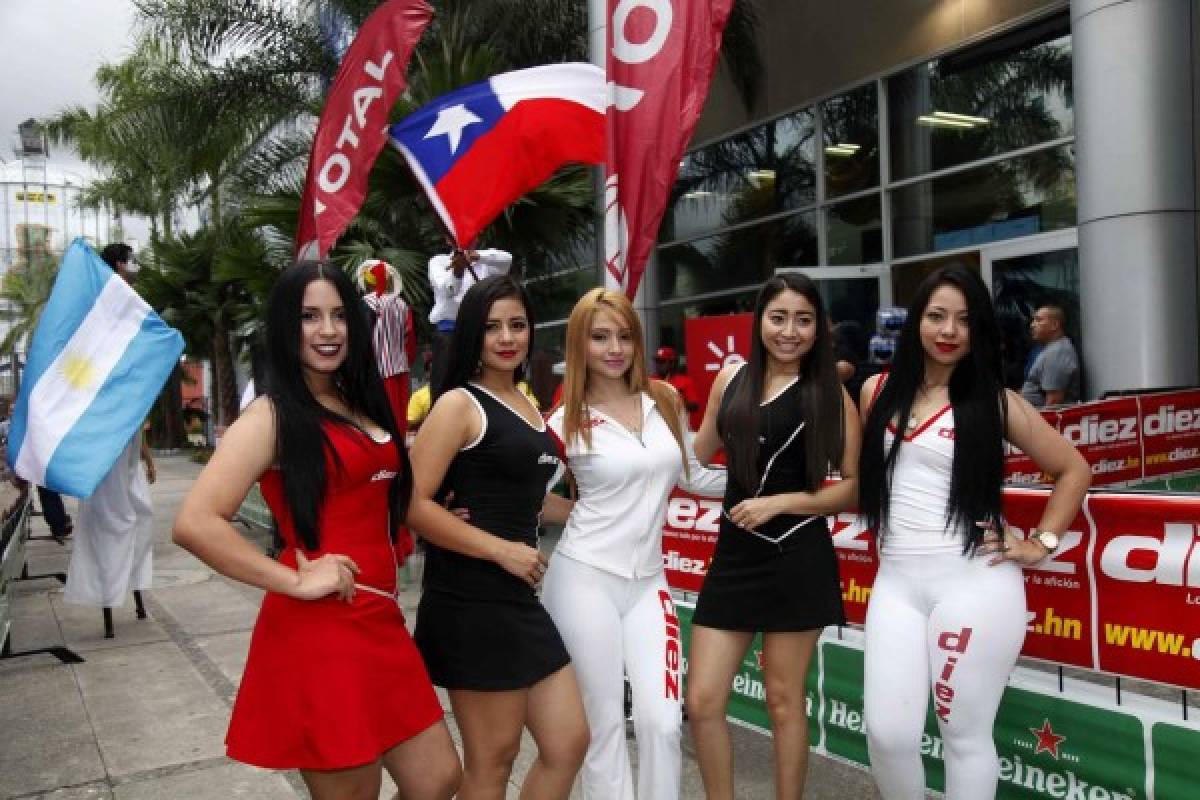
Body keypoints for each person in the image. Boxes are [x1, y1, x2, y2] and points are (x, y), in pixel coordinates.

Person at [172, 262, 461, 799]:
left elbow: (369, 494)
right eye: (309, 316)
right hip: (322, 631)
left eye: (338, 316)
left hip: (380, 619)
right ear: (286, 326)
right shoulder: (272, 415)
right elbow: (194, 522)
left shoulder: (357, 402)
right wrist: (295, 582)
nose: (327, 330)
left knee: (440, 778)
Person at [858, 266, 1090, 799]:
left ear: (978, 329)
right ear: (916, 320)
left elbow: (1073, 470)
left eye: (963, 320)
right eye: (936, 316)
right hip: (895, 586)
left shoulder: (996, 401)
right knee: (888, 734)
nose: (948, 330)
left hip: (973, 585)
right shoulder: (876, 392)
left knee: (962, 735)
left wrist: (1040, 544)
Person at [406, 275, 588, 799]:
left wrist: (594, 511)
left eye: (517, 325)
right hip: (470, 599)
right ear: (471, 336)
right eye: (491, 328)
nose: (507, 337)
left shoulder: (527, 404)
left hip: (517, 597)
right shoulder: (460, 404)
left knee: (568, 742)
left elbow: (527, 501)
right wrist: (499, 549)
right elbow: (411, 503)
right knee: (492, 759)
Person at [540, 288, 726, 799]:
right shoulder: (561, 421)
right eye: (600, 337)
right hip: (583, 581)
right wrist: (580, 511)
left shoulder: (663, 399)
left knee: (663, 721)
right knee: (603, 731)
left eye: (624, 335)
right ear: (579, 344)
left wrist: (768, 486)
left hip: (648, 583)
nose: (614, 348)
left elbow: (695, 476)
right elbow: (527, 499)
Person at [687, 273, 862, 799]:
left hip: (796, 555)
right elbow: (695, 456)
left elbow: (852, 487)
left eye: (803, 320)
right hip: (733, 556)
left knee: (785, 702)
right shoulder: (729, 380)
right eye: (778, 317)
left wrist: (781, 502)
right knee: (702, 700)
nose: (789, 331)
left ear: (818, 329)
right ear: (759, 320)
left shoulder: (829, 393)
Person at [62, 243, 156, 615]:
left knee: (139, 512)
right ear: (119, 264)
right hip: (106, 426)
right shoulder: (100, 308)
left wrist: (146, 453)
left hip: (124, 424)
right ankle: (108, 593)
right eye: (129, 261)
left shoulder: (124, 306)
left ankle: (128, 587)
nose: (134, 268)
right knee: (111, 515)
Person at [427, 246, 512, 391]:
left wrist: (477, 256)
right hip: (449, 333)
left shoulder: (485, 263)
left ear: (477, 237)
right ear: (448, 239)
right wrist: (457, 272)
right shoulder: (439, 262)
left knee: (479, 382)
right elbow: (449, 290)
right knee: (444, 385)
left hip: (477, 332)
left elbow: (507, 260)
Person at [358, 258, 417, 433]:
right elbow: (409, 338)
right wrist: (408, 360)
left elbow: (362, 339)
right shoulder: (401, 304)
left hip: (377, 371)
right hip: (401, 369)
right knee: (400, 416)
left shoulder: (365, 304)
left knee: (381, 418)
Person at [1020, 303, 1080, 407]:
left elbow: (1053, 402)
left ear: (1054, 325)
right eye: (1033, 320)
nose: (1032, 325)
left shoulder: (1057, 353)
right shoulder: (1050, 349)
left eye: (1038, 320)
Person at [652, 345, 701, 429]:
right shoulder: (650, 381)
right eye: (657, 361)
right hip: (656, 426)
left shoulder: (684, 381)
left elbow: (694, 406)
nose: (658, 365)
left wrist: (676, 400)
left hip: (679, 427)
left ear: (672, 363)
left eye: (662, 361)